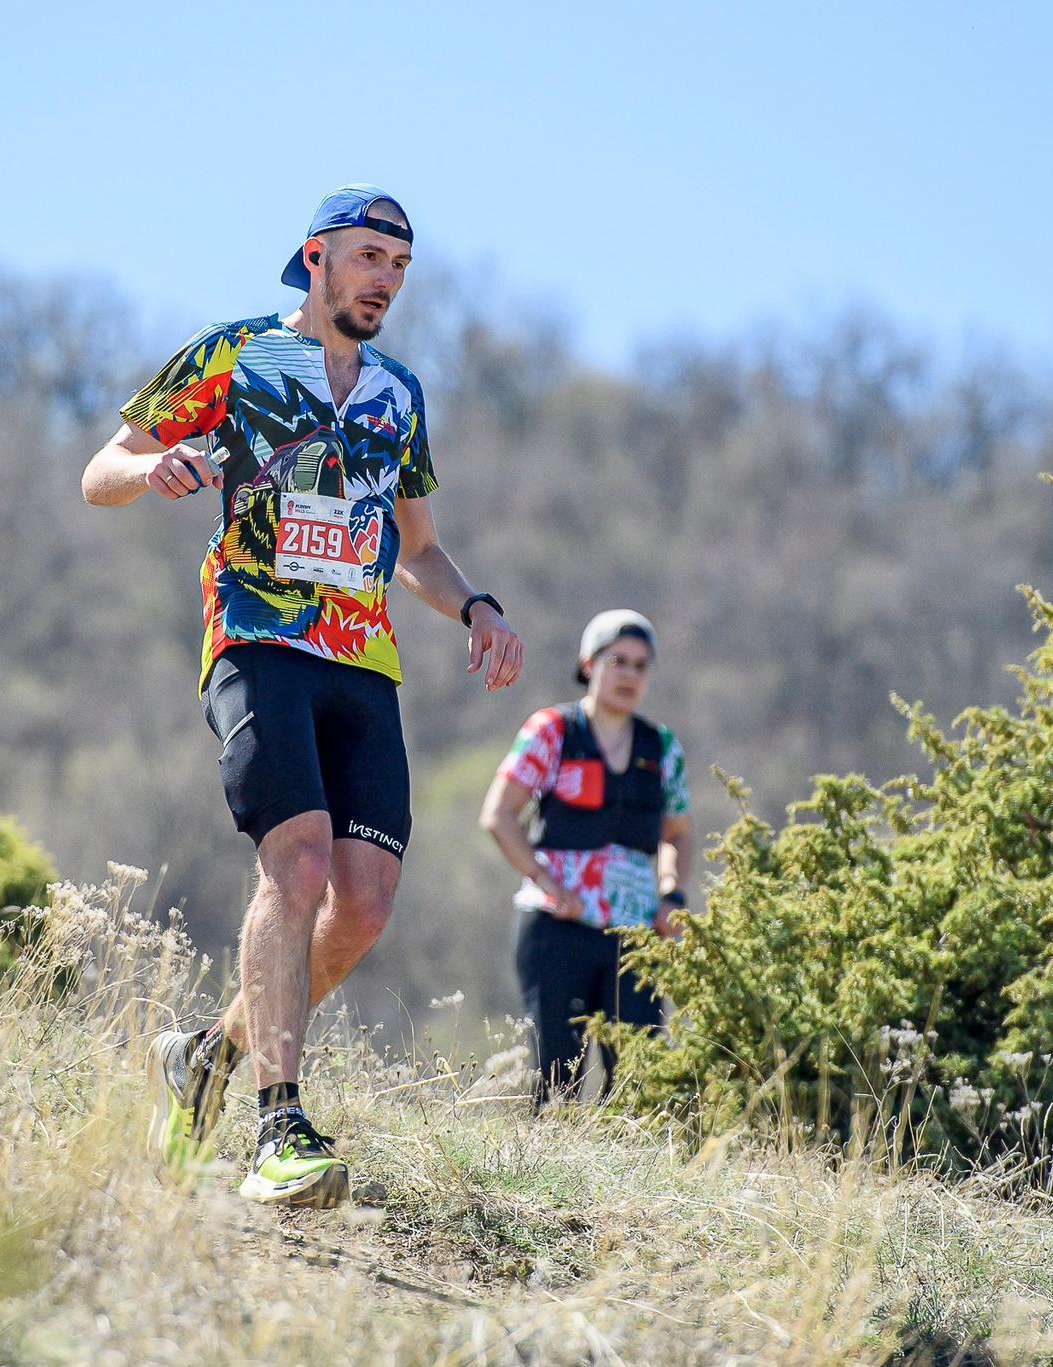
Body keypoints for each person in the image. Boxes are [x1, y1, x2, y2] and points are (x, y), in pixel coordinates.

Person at [82, 185, 525, 1207]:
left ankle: (202, 1056)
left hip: (361, 659)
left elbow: (416, 548)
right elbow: (101, 468)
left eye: (400, 267)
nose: (385, 280)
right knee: (300, 861)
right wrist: (152, 474)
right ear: (315, 258)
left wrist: (478, 610)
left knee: (364, 903)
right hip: (257, 635)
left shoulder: (398, 393)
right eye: (369, 257)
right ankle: (277, 1125)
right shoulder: (233, 357)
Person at [479, 609, 696, 1105]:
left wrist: (672, 893)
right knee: (558, 1075)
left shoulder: (661, 748)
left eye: (642, 666)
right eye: (618, 661)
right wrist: (543, 880)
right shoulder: (553, 730)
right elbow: (499, 815)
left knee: (640, 1080)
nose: (629, 675)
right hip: (557, 926)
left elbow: (678, 835)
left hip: (635, 932)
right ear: (588, 663)